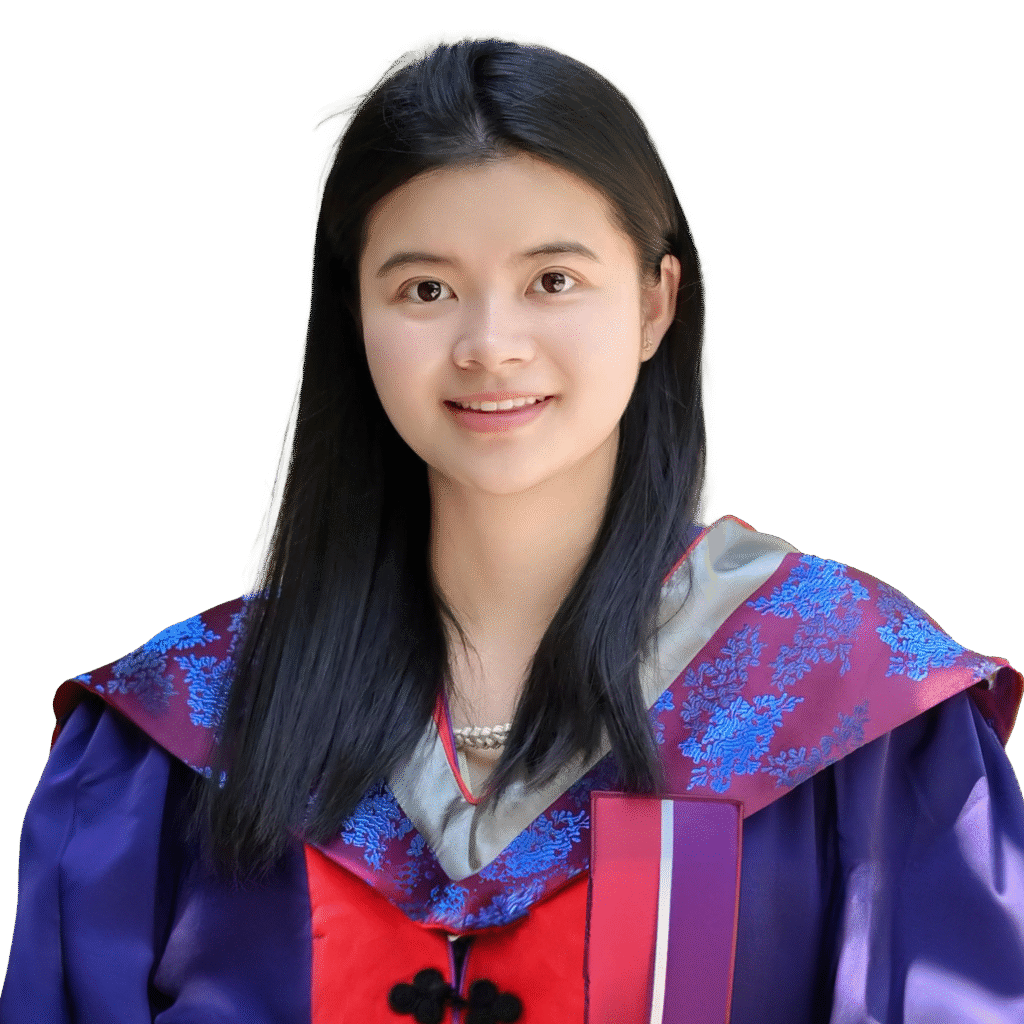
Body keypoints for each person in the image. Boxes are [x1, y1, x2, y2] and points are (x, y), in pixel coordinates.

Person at [2, 29, 1022, 1024]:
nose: (490, 344)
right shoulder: (175, 731)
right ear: (355, 315)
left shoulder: (850, 700)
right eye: (427, 289)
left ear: (656, 303)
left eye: (552, 280)